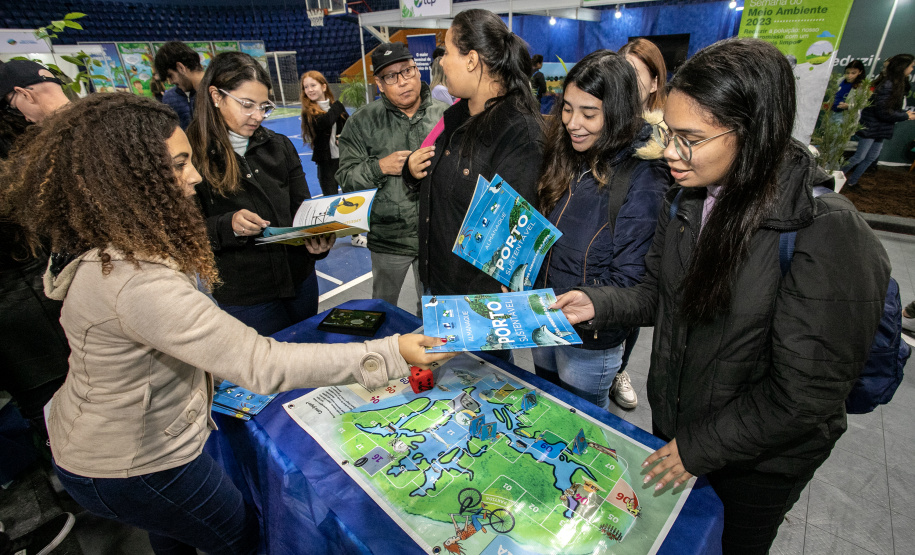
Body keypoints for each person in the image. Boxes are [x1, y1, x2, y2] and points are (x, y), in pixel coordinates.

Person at [0, 92, 453, 555]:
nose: (194, 177)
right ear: (125, 180)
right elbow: (263, 364)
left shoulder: (111, 236)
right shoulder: (136, 284)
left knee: (176, 533)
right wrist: (396, 352)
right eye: (178, 165)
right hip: (131, 460)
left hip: (107, 441)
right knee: (240, 537)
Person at [551, 39, 890, 553]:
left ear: (752, 133)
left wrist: (699, 447)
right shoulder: (687, 197)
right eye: (668, 133)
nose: (669, 153)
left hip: (757, 463)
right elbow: (660, 295)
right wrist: (601, 302)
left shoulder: (827, 232)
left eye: (689, 138)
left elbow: (806, 394)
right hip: (685, 429)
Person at [532, 50, 670, 412]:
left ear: (619, 112)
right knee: (542, 415)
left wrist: (588, 304)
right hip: (542, 316)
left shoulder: (644, 176)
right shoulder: (567, 151)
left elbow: (634, 281)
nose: (572, 123)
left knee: (580, 430)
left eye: (589, 113)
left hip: (590, 337)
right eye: (567, 108)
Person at [406, 8, 544, 298]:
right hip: (437, 282)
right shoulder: (454, 116)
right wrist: (413, 172)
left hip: (476, 302)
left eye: (447, 51)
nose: (441, 61)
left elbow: (511, 241)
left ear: (471, 60)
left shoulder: (519, 133)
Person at [188, 52, 327, 336]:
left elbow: (303, 207)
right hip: (247, 295)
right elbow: (184, 232)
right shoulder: (190, 156)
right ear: (216, 96)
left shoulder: (279, 146)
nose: (258, 116)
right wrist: (227, 225)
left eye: (264, 106)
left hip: (299, 279)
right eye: (247, 105)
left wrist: (319, 238)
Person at [338, 41, 447, 313]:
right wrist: (380, 167)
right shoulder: (362, 121)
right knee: (382, 310)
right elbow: (346, 176)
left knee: (433, 312)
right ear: (379, 83)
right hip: (388, 237)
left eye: (407, 71)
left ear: (417, 71)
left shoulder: (445, 116)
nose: (402, 82)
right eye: (391, 76)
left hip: (435, 237)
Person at [0, 60, 72, 441]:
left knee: (48, 406)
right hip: (29, 299)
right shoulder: (31, 151)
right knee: (52, 403)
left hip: (42, 291)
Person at [609, 37, 670, 410]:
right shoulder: (606, 120)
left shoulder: (665, 134)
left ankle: (619, 369)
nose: (626, 82)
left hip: (644, 236)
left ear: (655, 82)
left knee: (628, 305)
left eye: (635, 74)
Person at [841, 53, 915, 188]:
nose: (912, 70)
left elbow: (890, 108)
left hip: (880, 128)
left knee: (870, 158)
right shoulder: (888, 85)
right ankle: (834, 178)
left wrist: (904, 113)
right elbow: (883, 112)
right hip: (871, 127)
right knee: (859, 157)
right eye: (911, 66)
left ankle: (852, 182)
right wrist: (905, 116)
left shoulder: (897, 84)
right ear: (902, 67)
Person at [300, 70, 349, 197]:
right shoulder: (308, 112)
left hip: (343, 160)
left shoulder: (335, 106)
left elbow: (349, 125)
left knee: (350, 196)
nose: (309, 90)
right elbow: (324, 122)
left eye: (313, 85)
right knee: (330, 199)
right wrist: (337, 107)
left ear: (323, 86)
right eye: (306, 87)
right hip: (326, 163)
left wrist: (342, 136)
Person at [154, 41, 206, 130]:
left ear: (180, 67)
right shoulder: (169, 97)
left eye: (170, 75)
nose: (171, 82)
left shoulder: (216, 91)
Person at [0, 60, 69, 124]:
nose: (27, 119)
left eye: (15, 108)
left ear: (25, 94)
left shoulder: (63, 134)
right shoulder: (77, 122)